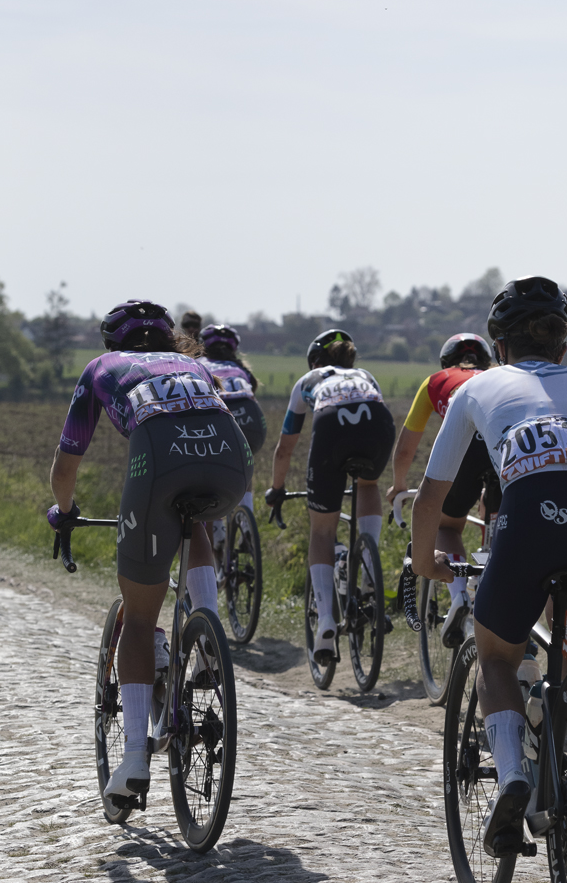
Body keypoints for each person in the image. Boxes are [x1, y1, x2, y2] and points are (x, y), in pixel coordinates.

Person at [411, 276, 567, 854]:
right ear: (563, 348)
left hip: (532, 518)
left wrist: (422, 561)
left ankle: (511, 774)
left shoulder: (478, 387)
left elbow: (431, 496)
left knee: (496, 655)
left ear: (498, 346)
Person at [48, 300, 252, 799]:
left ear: (113, 342)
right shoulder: (196, 364)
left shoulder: (101, 368)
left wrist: (63, 510)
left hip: (160, 462)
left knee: (139, 620)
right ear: (167, 339)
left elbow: (68, 458)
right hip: (231, 462)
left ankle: (135, 759)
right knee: (197, 519)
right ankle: (207, 633)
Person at [265, 329, 396, 658]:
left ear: (314, 361)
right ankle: (369, 565)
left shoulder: (307, 381)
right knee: (367, 483)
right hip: (377, 423)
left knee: (322, 530)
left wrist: (277, 489)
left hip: (331, 427)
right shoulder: (366, 375)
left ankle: (325, 621)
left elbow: (284, 449)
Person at [387, 333, 494, 643]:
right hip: (503, 448)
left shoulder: (436, 380)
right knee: (504, 524)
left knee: (448, 526)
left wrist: (398, 485)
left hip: (466, 450)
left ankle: (459, 594)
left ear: (447, 361)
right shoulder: (497, 377)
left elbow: (407, 448)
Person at [199, 324, 267, 568]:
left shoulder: (199, 365)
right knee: (245, 460)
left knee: (207, 472)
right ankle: (246, 519)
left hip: (220, 416)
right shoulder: (241, 369)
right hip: (252, 417)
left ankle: (215, 530)